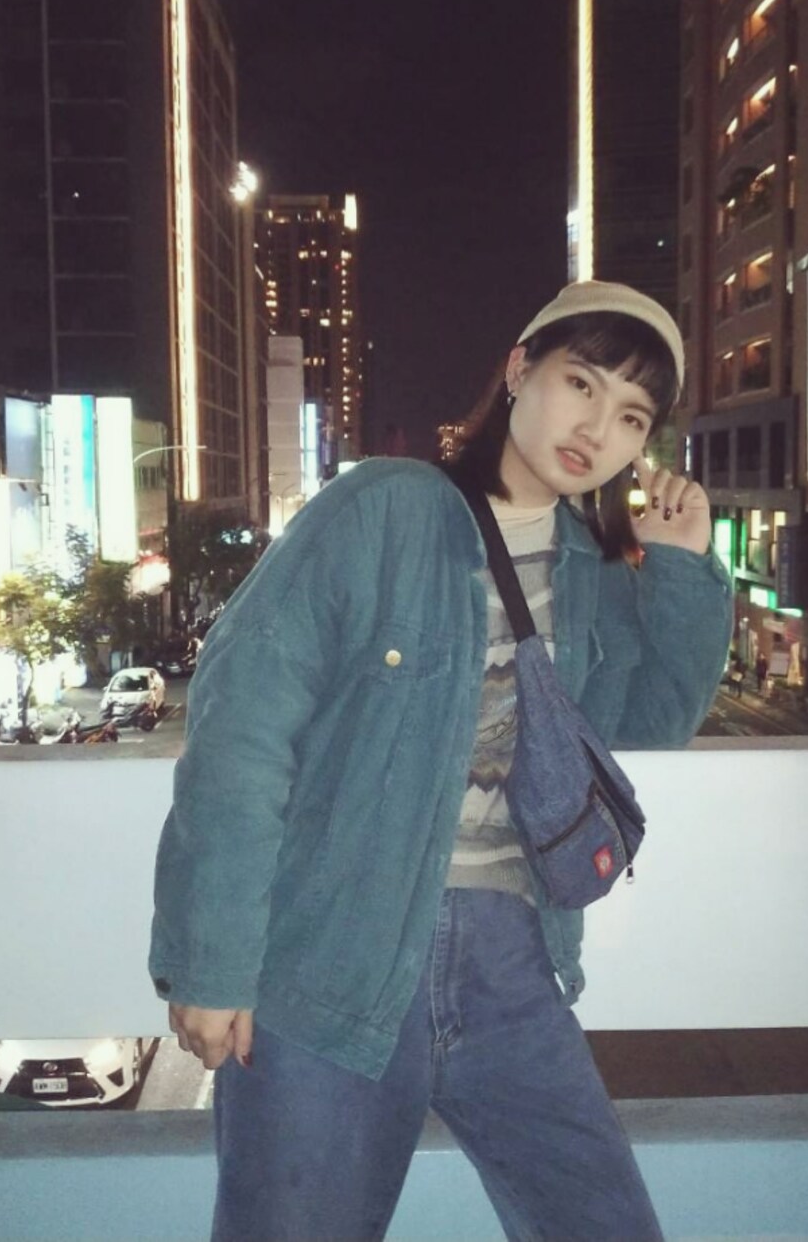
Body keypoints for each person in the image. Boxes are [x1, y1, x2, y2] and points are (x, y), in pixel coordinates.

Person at [149, 280, 733, 1242]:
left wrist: (679, 564)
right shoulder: (387, 510)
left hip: (514, 963)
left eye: (631, 417)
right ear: (519, 370)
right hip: (335, 952)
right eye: (581, 384)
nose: (597, 429)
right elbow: (242, 725)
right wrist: (211, 959)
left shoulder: (592, 572)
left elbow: (653, 727)